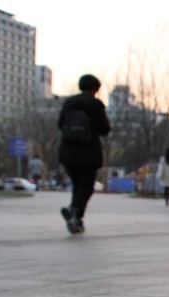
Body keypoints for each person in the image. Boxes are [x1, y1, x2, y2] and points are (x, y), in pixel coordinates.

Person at [58, 73, 111, 234]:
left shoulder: (69, 102)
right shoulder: (96, 105)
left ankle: (76, 219)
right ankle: (74, 209)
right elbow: (105, 129)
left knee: (78, 186)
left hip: (68, 151)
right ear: (95, 89)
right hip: (88, 153)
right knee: (86, 187)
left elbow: (60, 124)